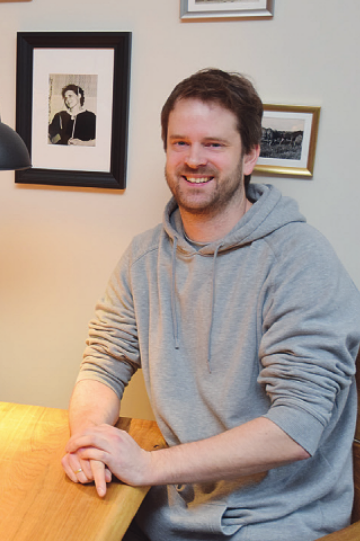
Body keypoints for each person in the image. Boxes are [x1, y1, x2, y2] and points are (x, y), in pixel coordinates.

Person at [61, 69, 360, 540]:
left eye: (214, 145)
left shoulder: (301, 260)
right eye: (180, 143)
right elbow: (103, 361)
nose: (193, 159)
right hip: (165, 507)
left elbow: (297, 426)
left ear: (250, 156)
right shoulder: (143, 257)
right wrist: (89, 440)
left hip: (274, 520)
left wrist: (146, 464)